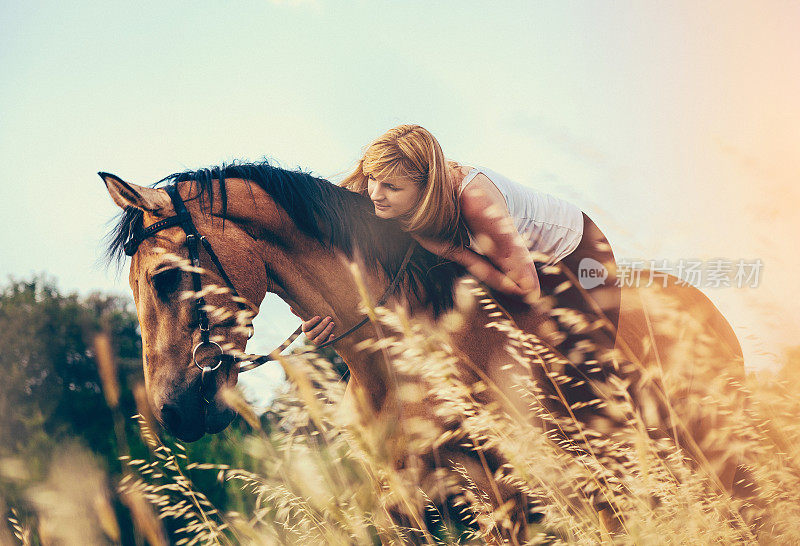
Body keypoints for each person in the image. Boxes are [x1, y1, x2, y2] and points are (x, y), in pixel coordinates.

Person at [294, 124, 621, 366]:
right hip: (492, 258)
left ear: (425, 188)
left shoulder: (475, 198)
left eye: (390, 186)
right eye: (372, 177)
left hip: (571, 252)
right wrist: (314, 316)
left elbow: (526, 289)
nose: (375, 193)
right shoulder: (380, 195)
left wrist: (453, 252)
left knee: (588, 367)